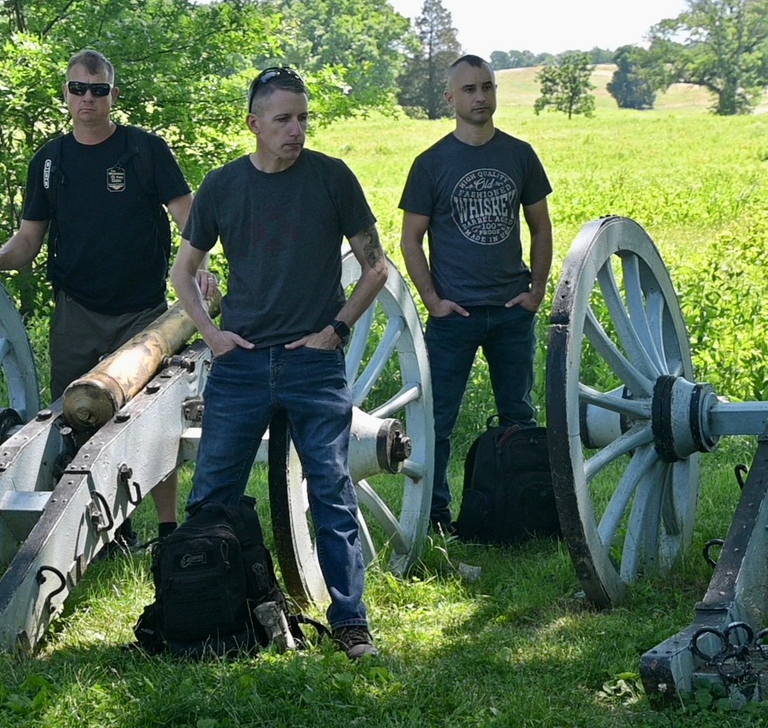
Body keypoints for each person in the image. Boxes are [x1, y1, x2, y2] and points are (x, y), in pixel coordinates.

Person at [170, 67, 388, 659]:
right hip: (240, 365)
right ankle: (211, 617)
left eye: (303, 119)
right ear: (254, 123)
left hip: (312, 364)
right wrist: (211, 335)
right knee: (211, 495)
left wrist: (336, 330)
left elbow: (376, 267)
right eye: (284, 119)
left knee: (333, 492)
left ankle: (350, 622)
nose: (297, 130)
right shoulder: (222, 186)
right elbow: (183, 272)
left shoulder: (331, 179)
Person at [0, 49, 213, 546]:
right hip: (76, 311)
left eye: (98, 91)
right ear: (66, 95)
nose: (88, 100)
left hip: (143, 315)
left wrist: (199, 271)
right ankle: (99, 531)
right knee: (75, 421)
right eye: (78, 89)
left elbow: (191, 221)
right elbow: (28, 241)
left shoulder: (144, 151)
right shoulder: (50, 161)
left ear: (113, 96)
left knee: (154, 424)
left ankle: (167, 529)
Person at [399, 54, 553, 535]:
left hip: (511, 310)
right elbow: (410, 239)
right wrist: (432, 300)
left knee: (519, 417)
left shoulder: (519, 154)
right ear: (450, 98)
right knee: (437, 421)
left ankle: (524, 512)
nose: (480, 96)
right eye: (469, 89)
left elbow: (540, 227)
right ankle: (438, 517)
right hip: (454, 315)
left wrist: (536, 291)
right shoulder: (431, 164)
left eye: (487, 86)